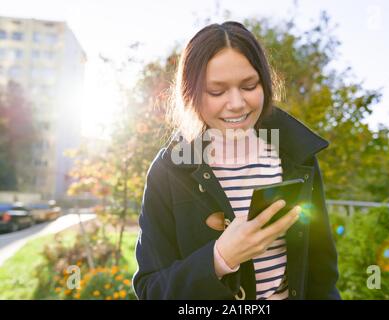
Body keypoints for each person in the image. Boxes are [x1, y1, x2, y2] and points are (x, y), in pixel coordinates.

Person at [132, 21, 340, 300]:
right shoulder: (170, 171)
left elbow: (321, 276)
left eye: (249, 85)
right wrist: (219, 258)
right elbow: (151, 290)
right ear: (190, 94)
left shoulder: (296, 156)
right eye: (217, 91)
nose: (237, 103)